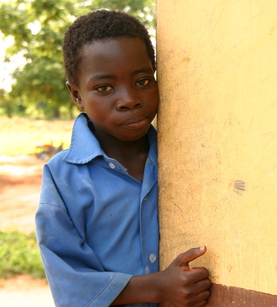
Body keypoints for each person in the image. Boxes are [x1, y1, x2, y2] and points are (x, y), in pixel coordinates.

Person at [35, 9, 211, 307]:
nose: (129, 99)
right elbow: (67, 280)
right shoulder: (62, 177)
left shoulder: (184, 158)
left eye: (142, 81)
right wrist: (156, 288)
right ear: (77, 95)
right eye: (104, 88)